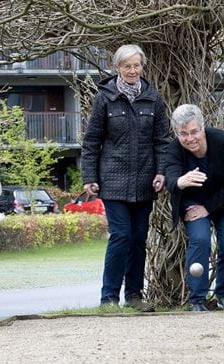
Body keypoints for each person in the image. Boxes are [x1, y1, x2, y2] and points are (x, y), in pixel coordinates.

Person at [81, 44, 169, 311]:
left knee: (139, 237)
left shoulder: (153, 98)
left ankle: (134, 295)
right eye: (127, 66)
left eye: (136, 66)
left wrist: (161, 172)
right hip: (114, 180)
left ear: (142, 67)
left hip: (144, 181)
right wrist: (89, 176)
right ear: (117, 68)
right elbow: (92, 141)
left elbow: (162, 141)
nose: (132, 70)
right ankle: (108, 297)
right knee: (120, 235)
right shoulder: (105, 98)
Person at [164, 104, 224, 312]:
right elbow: (171, 180)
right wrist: (182, 181)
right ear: (176, 133)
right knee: (200, 239)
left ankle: (223, 294)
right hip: (193, 202)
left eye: (194, 132)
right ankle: (197, 299)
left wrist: (208, 208)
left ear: (202, 127)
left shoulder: (220, 140)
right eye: (183, 134)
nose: (190, 138)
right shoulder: (174, 149)